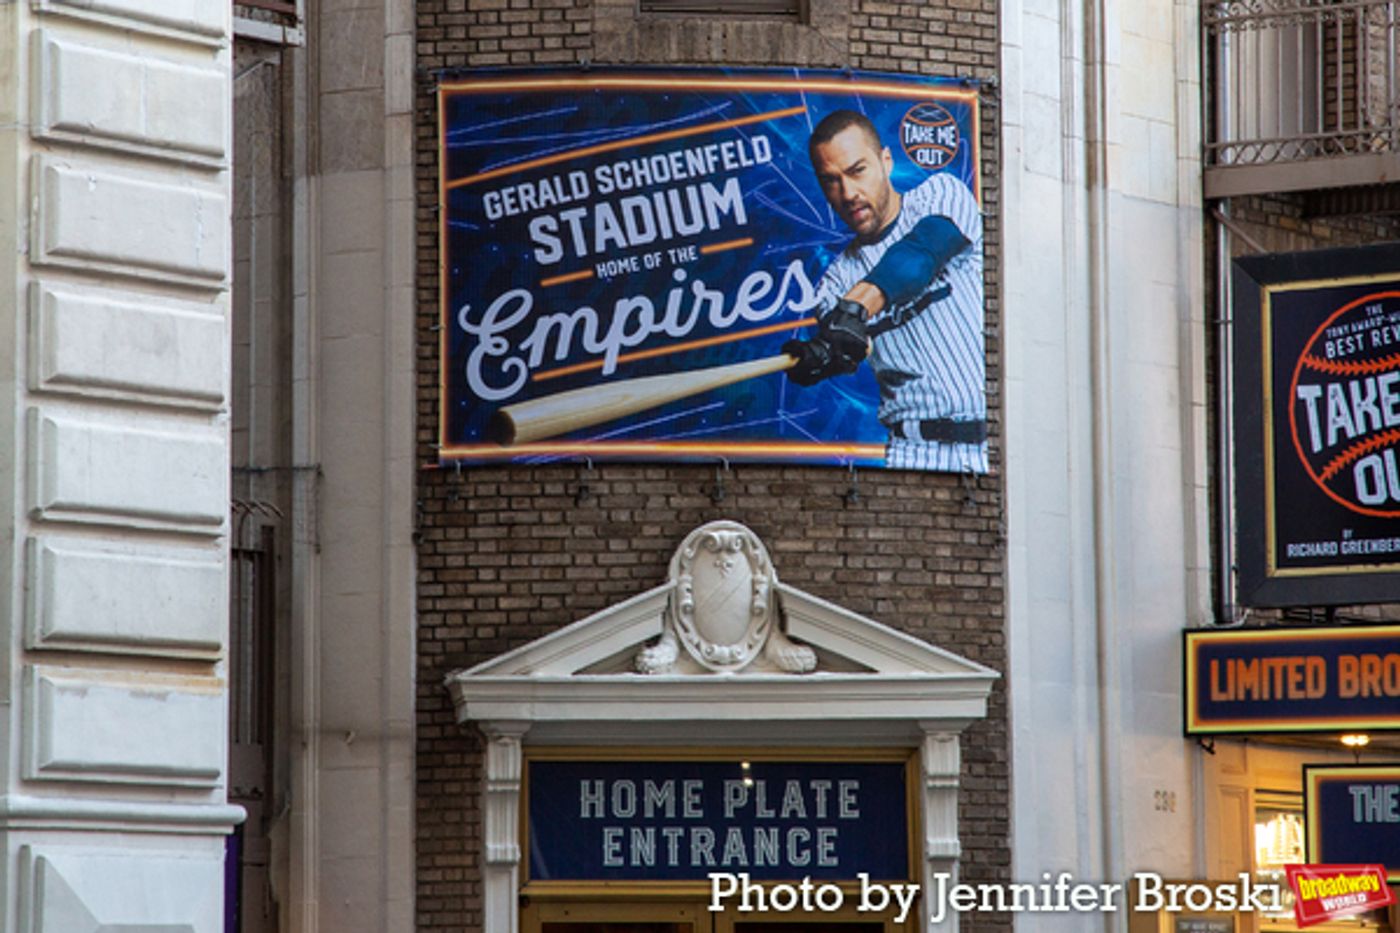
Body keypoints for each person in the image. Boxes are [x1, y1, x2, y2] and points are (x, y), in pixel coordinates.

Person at [783, 109, 987, 472]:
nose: (847, 193)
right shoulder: (835, 283)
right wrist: (820, 355)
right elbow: (846, 351)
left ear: (886, 162)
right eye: (831, 181)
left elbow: (920, 255)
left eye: (857, 171)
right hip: (913, 451)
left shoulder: (940, 194)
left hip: (990, 445)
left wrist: (856, 308)